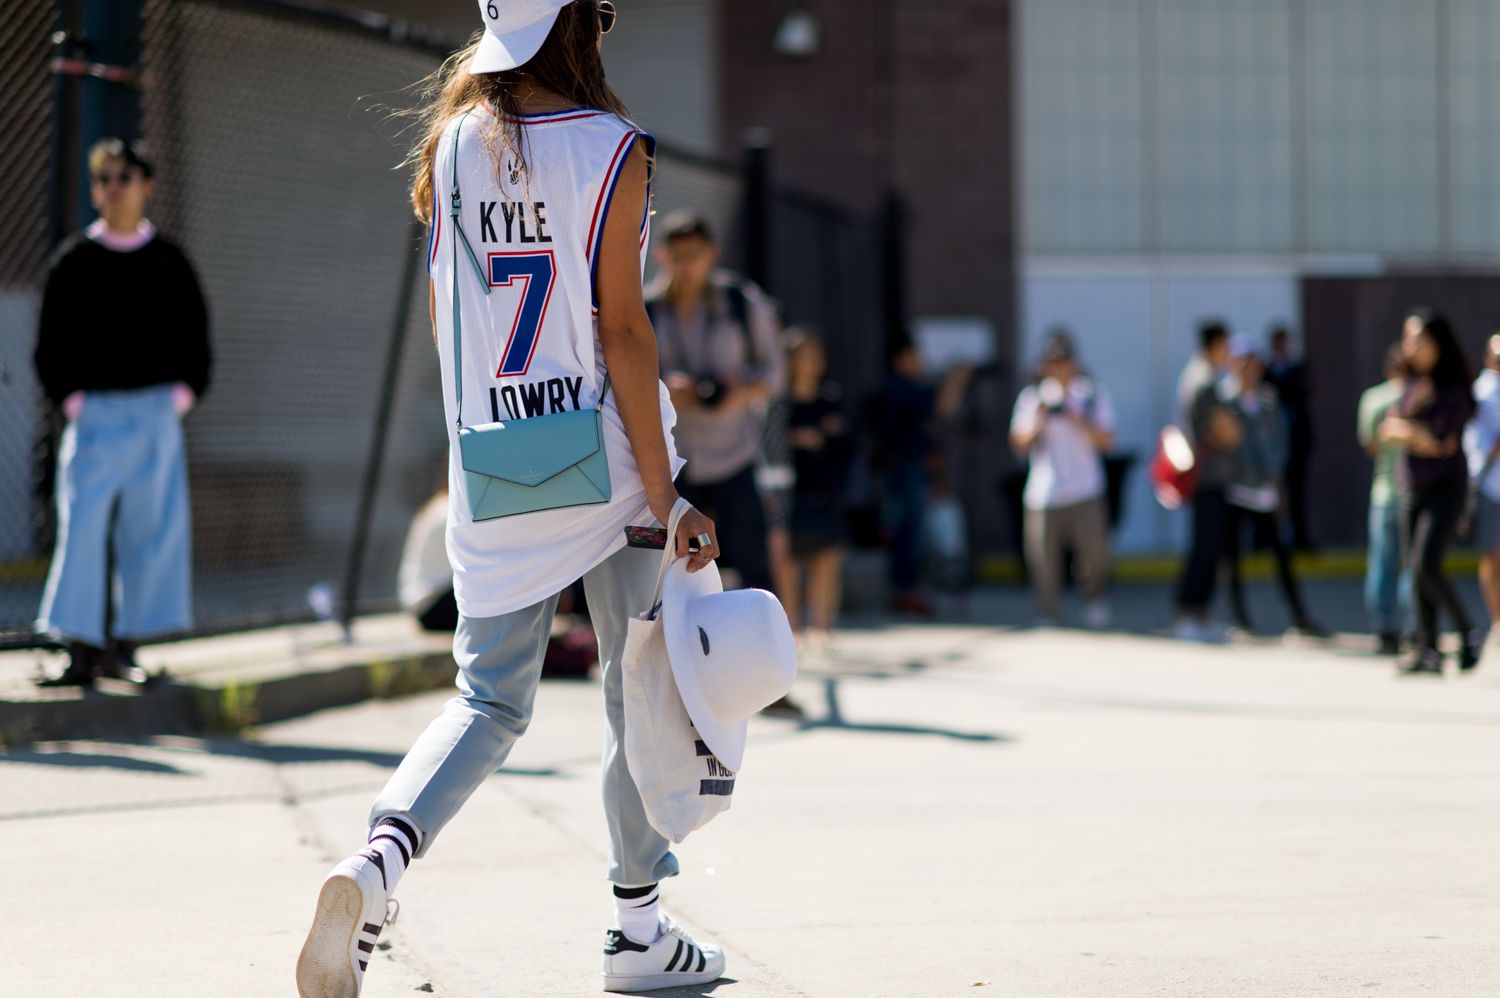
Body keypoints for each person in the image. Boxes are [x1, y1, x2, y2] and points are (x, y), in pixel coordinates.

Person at [295, 4, 727, 995]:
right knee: (637, 683)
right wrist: (669, 496)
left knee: (485, 698)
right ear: (573, 25)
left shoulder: (448, 146)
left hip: (496, 456)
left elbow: (465, 309)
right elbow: (622, 330)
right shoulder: (613, 148)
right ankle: (637, 931)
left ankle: (376, 863)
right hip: (606, 455)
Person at [32, 137, 211, 688]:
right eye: (103, 179)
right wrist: (75, 400)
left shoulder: (169, 261)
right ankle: (78, 652)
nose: (113, 188)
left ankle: (124, 651)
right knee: (82, 528)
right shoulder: (74, 261)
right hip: (95, 417)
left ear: (145, 186)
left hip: (156, 413)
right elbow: (49, 345)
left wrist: (179, 398)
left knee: (150, 533)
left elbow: (198, 341)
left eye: (123, 177)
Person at [645, 210, 783, 594]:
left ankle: (759, 645)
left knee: (753, 566)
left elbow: (775, 376)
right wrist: (665, 389)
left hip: (734, 454)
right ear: (662, 256)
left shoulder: (743, 303)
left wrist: (740, 391)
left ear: (712, 253)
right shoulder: (647, 308)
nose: (686, 265)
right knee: (672, 569)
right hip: (674, 462)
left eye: (695, 254)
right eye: (678, 255)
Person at [1379, 309, 1479, 675]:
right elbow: (1387, 430)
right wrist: (1414, 434)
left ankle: (1467, 630)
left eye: (1418, 340)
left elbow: (1440, 442)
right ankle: (1427, 648)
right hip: (1412, 485)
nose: (1411, 347)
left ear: (1439, 343)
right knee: (1415, 568)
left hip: (1445, 487)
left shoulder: (1453, 388)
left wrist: (1408, 432)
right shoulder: (1413, 384)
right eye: (1408, 339)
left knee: (1426, 565)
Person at [1008, 329, 1116, 628]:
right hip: (1044, 493)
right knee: (1043, 562)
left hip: (1085, 489)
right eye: (1051, 363)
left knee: (1094, 555)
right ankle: (1048, 612)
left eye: (1063, 362)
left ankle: (1094, 600)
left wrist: (1076, 417)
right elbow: (1017, 444)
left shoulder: (1091, 394)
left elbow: (1107, 441)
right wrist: (1040, 420)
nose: (1058, 370)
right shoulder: (1032, 398)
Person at [1220, 338, 1324, 638]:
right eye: (1242, 362)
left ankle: (1300, 616)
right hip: (1235, 488)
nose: (1248, 369)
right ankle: (1240, 619)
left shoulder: (1268, 399)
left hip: (1263, 489)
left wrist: (1276, 479)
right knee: (1233, 558)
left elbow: (1280, 441)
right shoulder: (1225, 400)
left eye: (1252, 363)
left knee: (1280, 554)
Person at [871, 340, 971, 615]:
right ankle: (905, 589)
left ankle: (907, 588)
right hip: (905, 468)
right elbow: (943, 408)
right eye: (916, 355)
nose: (922, 361)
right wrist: (956, 379)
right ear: (901, 358)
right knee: (908, 529)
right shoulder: (902, 388)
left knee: (911, 528)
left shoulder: (901, 388)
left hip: (908, 467)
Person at [776, 330, 851, 645]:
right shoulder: (778, 401)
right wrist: (798, 439)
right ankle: (790, 628)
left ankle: (822, 627)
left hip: (824, 486)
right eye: (804, 356)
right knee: (787, 561)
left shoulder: (830, 399)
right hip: (787, 489)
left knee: (827, 557)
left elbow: (846, 443)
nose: (811, 363)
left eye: (815, 356)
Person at [1172, 320, 1237, 640]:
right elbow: (1226, 432)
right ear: (1215, 344)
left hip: (1207, 476)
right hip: (1208, 476)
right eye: (1226, 345)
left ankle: (1199, 612)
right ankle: (1189, 611)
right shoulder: (1205, 381)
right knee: (1206, 547)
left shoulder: (1197, 375)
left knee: (1209, 546)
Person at [1357, 344, 1412, 655]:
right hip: (1411, 491)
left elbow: (1369, 444)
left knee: (1382, 563)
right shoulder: (1419, 396)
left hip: (1384, 490)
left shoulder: (1374, 400)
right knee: (1410, 565)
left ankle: (1384, 627)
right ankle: (1411, 626)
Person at [1463, 332, 1500, 663]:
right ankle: (1497, 622)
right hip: (1492, 485)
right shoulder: (1483, 391)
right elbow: (1474, 444)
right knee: (1491, 557)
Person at [1265, 326, 1315, 549]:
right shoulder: (1267, 371)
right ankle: (1265, 541)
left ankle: (1300, 538)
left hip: (1296, 441)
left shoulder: (1298, 368)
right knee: (1268, 491)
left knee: (1297, 491)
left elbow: (1303, 392)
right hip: (1271, 442)